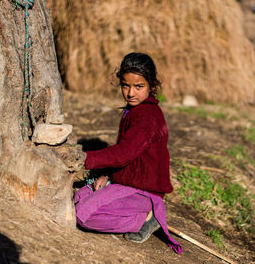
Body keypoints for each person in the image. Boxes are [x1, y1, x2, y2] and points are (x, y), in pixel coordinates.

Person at [74, 52, 182, 253]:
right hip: (125, 181)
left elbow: (123, 154)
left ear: (151, 84)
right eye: (126, 85)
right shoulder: (135, 110)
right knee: (80, 196)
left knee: (82, 215)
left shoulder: (146, 117)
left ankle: (148, 217)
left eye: (138, 86)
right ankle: (131, 209)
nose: (131, 92)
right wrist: (108, 175)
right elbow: (129, 156)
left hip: (143, 191)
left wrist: (84, 159)